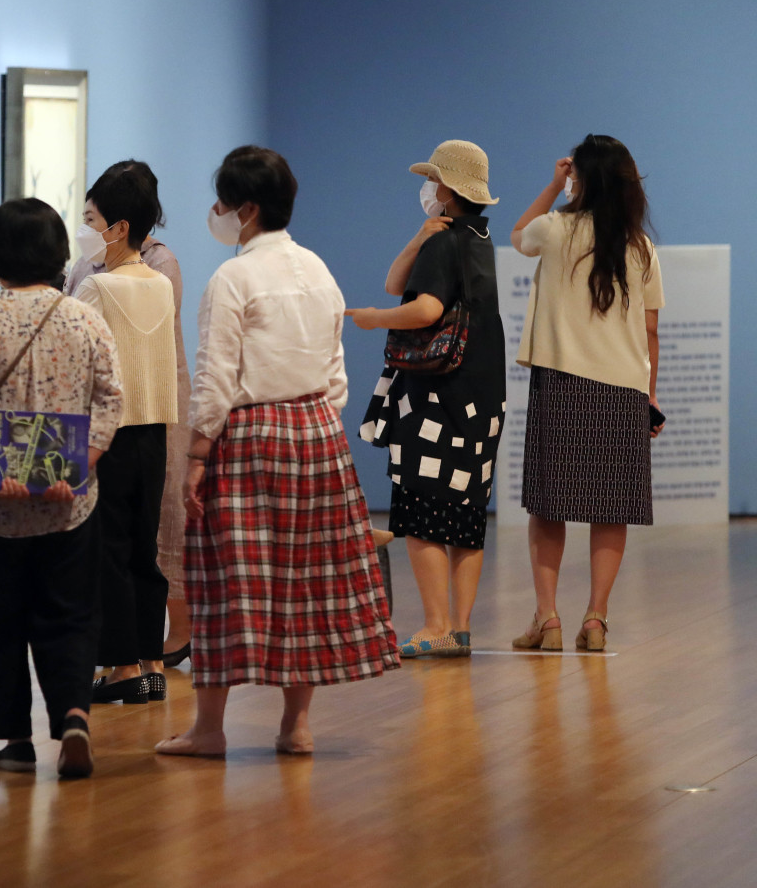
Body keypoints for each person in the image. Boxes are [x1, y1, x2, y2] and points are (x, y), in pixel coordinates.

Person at [157, 146, 398, 758]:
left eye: (222, 204)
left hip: (250, 437)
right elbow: (337, 371)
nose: (216, 214)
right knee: (307, 580)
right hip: (318, 429)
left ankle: (209, 728)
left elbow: (215, 376)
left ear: (248, 209)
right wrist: (316, 416)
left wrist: (196, 454)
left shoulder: (233, 277)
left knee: (222, 578)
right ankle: (296, 725)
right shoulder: (319, 270)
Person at [0, 197, 122, 778]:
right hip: (69, 501)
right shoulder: (84, 318)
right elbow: (110, 398)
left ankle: (16, 741)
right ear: (57, 254)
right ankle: (73, 713)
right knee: (70, 614)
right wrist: (80, 465)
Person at [348, 140, 507, 657]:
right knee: (465, 513)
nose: (427, 189)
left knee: (419, 509)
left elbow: (423, 309)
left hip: (438, 395)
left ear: (447, 188)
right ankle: (457, 626)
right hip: (483, 395)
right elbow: (401, 280)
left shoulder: (445, 244)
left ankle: (434, 624)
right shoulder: (477, 237)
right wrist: (419, 237)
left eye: (434, 180)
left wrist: (374, 319)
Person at [510, 134, 664, 652]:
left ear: (580, 177)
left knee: (548, 506)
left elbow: (515, 235)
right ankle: (596, 618)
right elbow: (650, 332)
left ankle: (547, 618)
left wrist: (553, 184)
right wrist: (650, 398)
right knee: (611, 508)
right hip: (623, 391)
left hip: (561, 385)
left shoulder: (553, 230)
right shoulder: (640, 245)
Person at [66, 161, 193, 667]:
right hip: (150, 424)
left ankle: (121, 667)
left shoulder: (101, 285)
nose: (84, 228)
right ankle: (150, 665)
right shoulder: (155, 279)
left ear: (120, 227)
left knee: (114, 547)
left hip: (107, 426)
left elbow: (75, 354)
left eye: (91, 218)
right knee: (142, 547)